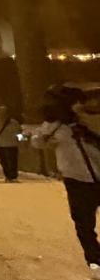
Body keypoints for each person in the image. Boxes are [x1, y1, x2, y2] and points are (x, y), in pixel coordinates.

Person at [31, 88, 100, 268]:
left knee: (84, 222)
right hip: (76, 179)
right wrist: (49, 132)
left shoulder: (90, 120)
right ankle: (95, 258)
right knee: (84, 222)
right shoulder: (56, 127)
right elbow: (38, 141)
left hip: (96, 174)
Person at [0, 105, 22, 182]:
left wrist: (20, 141)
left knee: (11, 160)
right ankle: (9, 176)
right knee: (4, 161)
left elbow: (18, 133)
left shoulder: (13, 122)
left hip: (11, 144)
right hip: (2, 144)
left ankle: (12, 176)